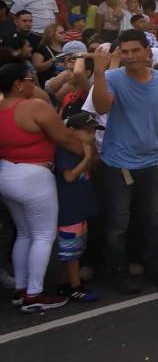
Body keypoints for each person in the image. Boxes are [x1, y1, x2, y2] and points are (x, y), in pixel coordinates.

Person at [92, 30, 158, 294]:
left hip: (152, 160)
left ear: (147, 51)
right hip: (119, 163)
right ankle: (118, 273)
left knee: (154, 219)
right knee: (118, 224)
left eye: (135, 50)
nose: (130, 56)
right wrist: (99, 73)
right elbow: (101, 108)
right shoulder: (111, 77)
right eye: (124, 51)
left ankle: (153, 266)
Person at [0, 63, 92, 312]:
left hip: (6, 174)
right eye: (30, 79)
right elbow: (64, 136)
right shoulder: (34, 106)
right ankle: (34, 295)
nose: (34, 83)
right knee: (43, 236)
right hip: (34, 177)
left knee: (25, 234)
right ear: (19, 84)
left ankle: (22, 289)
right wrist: (86, 154)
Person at [54, 111, 100, 303]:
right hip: (69, 208)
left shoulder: (80, 148)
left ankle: (67, 283)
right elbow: (69, 176)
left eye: (93, 132)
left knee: (76, 247)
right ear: (71, 131)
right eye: (87, 132)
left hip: (79, 206)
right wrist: (86, 158)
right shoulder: (65, 150)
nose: (91, 136)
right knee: (71, 250)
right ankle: (74, 287)